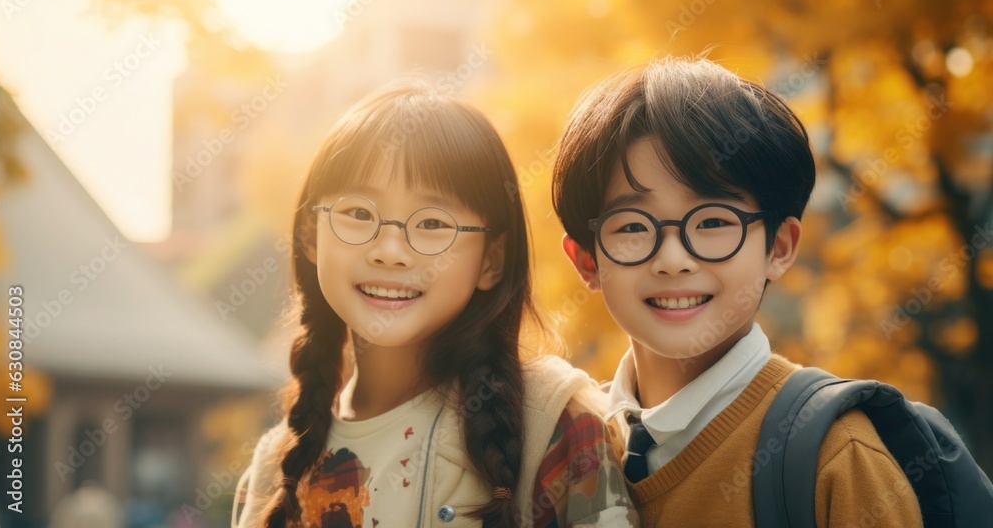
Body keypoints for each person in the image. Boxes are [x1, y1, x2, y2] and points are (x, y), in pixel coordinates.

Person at [233, 84, 636, 528]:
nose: (390, 250)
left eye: (431, 223)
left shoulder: (552, 424)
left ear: (492, 259)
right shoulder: (273, 470)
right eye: (359, 214)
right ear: (310, 235)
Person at [551, 56, 924, 526]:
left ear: (780, 246)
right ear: (587, 259)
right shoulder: (561, 453)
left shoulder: (837, 459)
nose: (673, 260)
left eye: (711, 222)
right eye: (632, 225)